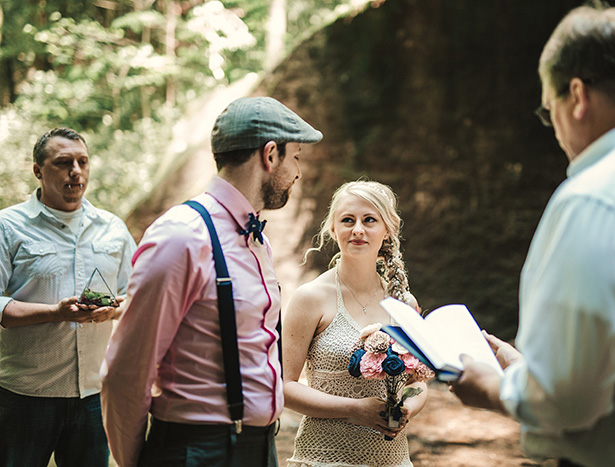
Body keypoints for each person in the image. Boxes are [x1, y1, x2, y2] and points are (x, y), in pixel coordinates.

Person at [449, 5, 615, 466]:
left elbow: (569, 402)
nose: (556, 131)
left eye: (550, 111)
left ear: (577, 96)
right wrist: (530, 371)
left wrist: (489, 383)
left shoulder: (598, 196)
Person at [100, 96, 323, 467]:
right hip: (195, 451)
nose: (298, 172)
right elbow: (126, 371)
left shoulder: (258, 240)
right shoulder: (181, 237)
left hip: (258, 447)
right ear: (270, 155)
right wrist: (136, 461)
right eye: (295, 156)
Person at [0, 127, 136, 466]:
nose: (75, 171)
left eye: (82, 161)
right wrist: (55, 312)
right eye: (63, 163)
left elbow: (136, 295)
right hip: (25, 394)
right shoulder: (8, 226)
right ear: (38, 170)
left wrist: (112, 311)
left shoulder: (112, 228)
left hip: (93, 395)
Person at [284, 180, 428, 466]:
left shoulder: (404, 303)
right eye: (348, 220)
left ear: (388, 230)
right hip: (324, 457)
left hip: (392, 459)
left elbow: (418, 383)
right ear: (333, 229)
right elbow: (284, 386)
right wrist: (355, 408)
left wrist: (408, 408)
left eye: (370, 220)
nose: (358, 229)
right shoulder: (310, 298)